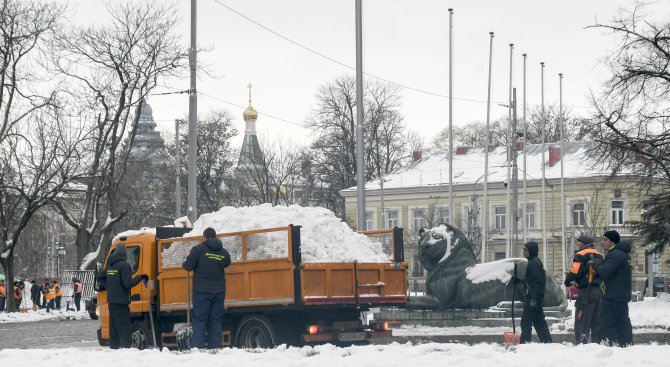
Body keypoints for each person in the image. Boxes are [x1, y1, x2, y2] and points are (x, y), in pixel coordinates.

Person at [182, 227, 232, 349]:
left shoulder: (198, 250)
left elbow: (188, 266)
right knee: (215, 321)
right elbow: (227, 262)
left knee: (200, 321)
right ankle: (214, 349)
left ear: (204, 237)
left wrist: (184, 261)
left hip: (201, 292)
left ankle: (197, 350)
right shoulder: (223, 252)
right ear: (215, 237)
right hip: (219, 292)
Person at [96, 244, 148, 349]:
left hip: (111, 301)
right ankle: (126, 349)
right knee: (124, 327)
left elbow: (99, 276)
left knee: (114, 327)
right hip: (122, 302)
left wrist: (108, 287)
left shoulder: (110, 266)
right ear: (123, 254)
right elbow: (127, 284)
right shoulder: (124, 265)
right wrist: (140, 277)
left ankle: (114, 348)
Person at [589, 230, 633, 347]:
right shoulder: (624, 255)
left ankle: (605, 345)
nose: (602, 242)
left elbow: (606, 272)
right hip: (621, 296)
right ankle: (627, 345)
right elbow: (616, 275)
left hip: (611, 296)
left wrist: (595, 263)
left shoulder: (615, 254)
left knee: (605, 323)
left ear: (612, 241)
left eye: (605, 240)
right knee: (622, 323)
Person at [563, 233, 603, 344]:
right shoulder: (599, 254)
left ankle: (582, 344)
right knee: (596, 320)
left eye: (579, 241)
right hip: (598, 291)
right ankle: (596, 343)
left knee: (582, 320)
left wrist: (567, 281)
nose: (578, 243)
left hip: (586, 291)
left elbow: (575, 271)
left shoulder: (580, 254)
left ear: (584, 242)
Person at [519, 241, 553, 344]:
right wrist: (520, 280)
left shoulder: (534, 263)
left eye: (525, 250)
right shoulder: (534, 261)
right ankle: (547, 342)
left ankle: (525, 344)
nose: (523, 252)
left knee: (525, 322)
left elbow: (538, 281)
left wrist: (533, 298)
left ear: (531, 251)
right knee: (539, 322)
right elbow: (531, 279)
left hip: (533, 298)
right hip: (536, 297)